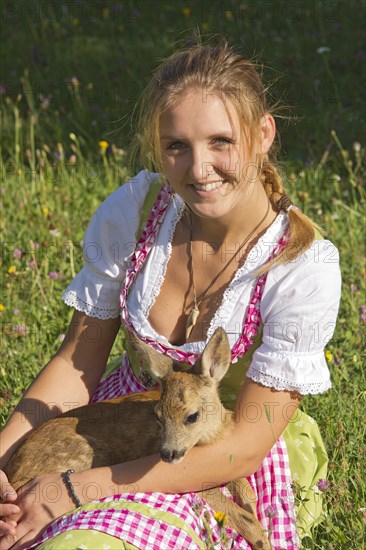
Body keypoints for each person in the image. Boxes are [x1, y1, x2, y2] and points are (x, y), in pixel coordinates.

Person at [0, 40, 341, 550]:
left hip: (215, 455)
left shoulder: (303, 267)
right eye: (177, 146)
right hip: (124, 419)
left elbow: (243, 446)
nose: (199, 169)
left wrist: (75, 489)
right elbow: (78, 363)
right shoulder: (137, 214)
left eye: (221, 141)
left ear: (264, 133)